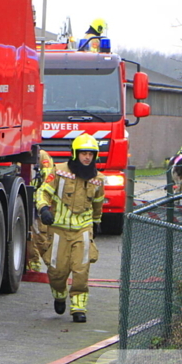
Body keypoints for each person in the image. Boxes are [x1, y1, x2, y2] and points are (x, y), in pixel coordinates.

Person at [36, 133, 106, 323]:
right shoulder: (59, 172)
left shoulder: (98, 179)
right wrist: (43, 209)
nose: (87, 158)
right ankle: (59, 295)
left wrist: (97, 222)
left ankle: (78, 308)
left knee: (81, 269)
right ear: (75, 154)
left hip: (82, 229)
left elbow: (98, 203)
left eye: (90, 154)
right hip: (58, 229)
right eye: (83, 153)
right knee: (57, 271)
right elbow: (43, 192)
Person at [25, 148, 56, 281]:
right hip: (25, 200)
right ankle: (33, 265)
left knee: (41, 236)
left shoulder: (41, 156)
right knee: (28, 236)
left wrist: (44, 204)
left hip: (38, 203)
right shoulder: (16, 154)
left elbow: (48, 180)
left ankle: (54, 267)